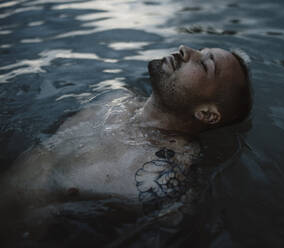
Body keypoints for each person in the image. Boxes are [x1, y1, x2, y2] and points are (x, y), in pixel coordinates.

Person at [0, 45, 252, 223]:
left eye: (205, 64)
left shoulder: (166, 180)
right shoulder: (112, 97)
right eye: (199, 49)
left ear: (207, 114)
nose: (186, 49)